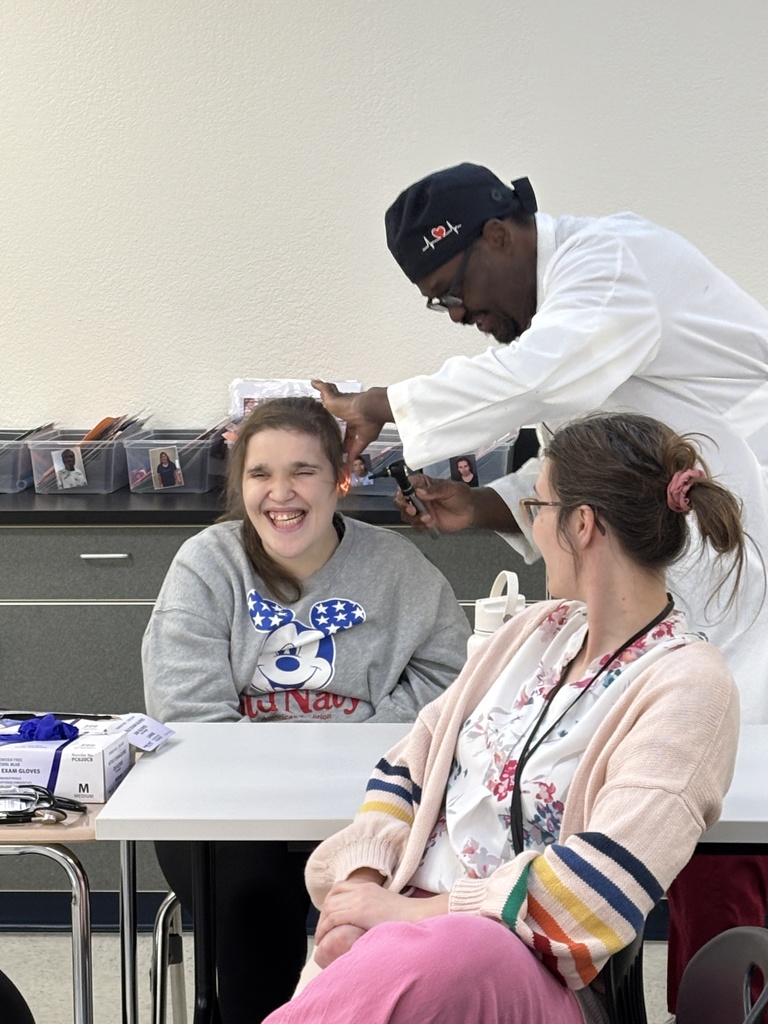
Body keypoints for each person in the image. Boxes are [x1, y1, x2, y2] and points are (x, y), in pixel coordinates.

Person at [312, 161, 768, 1008]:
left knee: (725, 835)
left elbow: (544, 386)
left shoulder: (611, 266)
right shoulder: (533, 639)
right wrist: (487, 507)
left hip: (743, 573)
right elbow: (584, 455)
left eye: (454, 290)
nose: (459, 316)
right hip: (663, 597)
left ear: (499, 235)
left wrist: (384, 402)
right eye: (438, 305)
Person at [263, 411, 742, 1024]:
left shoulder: (688, 684)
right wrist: (364, 883)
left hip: (526, 973)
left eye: (536, 508)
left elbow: (598, 889)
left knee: (463, 949)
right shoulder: (529, 635)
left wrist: (410, 916)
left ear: (582, 524)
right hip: (402, 943)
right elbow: (407, 767)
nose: (531, 527)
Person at [142, 396, 470, 1024]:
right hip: (228, 808)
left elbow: (449, 679)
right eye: (261, 474)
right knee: (252, 902)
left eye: (304, 471)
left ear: (340, 480)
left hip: (369, 802)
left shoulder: (397, 568)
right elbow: (188, 711)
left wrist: (355, 756)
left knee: (373, 922)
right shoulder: (207, 565)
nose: (281, 492)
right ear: (241, 485)